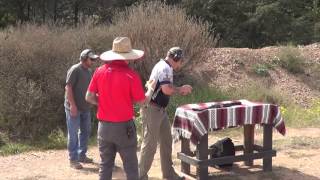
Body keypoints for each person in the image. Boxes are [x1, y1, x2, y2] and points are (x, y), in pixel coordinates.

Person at [85, 37, 155, 180]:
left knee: (105, 166)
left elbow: (89, 97)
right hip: (124, 128)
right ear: (128, 57)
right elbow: (142, 102)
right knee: (131, 168)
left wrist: (105, 102)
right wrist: (151, 89)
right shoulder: (131, 75)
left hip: (104, 127)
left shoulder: (99, 71)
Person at [139, 47, 192, 180]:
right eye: (180, 61)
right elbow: (166, 90)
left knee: (166, 141)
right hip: (152, 109)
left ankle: (168, 173)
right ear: (176, 58)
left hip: (159, 110)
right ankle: (140, 175)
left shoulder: (163, 66)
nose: (180, 64)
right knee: (150, 144)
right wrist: (181, 89)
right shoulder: (165, 68)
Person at [64, 49, 99, 169]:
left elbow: (90, 89)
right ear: (84, 58)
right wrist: (72, 105)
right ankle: (73, 160)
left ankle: (81, 155)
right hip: (73, 108)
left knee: (86, 131)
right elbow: (68, 88)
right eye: (91, 59)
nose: (93, 61)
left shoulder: (89, 71)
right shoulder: (75, 69)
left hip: (85, 108)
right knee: (73, 134)